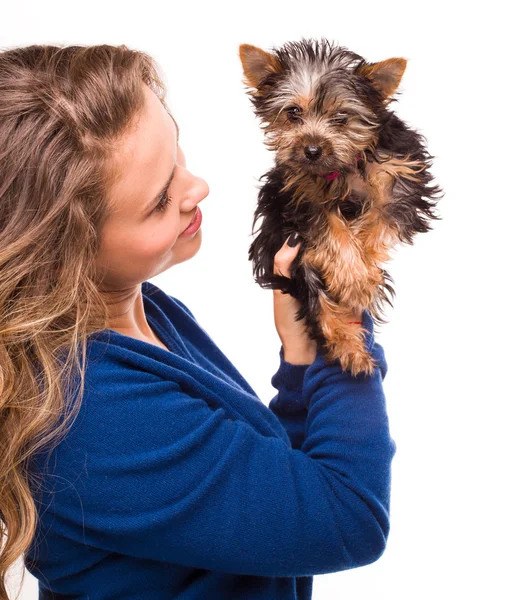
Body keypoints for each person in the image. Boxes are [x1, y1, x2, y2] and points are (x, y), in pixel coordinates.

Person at [0, 43, 396, 600]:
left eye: (178, 158)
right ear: (64, 251)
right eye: (160, 200)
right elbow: (346, 517)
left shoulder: (147, 311)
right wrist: (342, 330)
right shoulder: (88, 413)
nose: (197, 188)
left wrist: (303, 356)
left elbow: (267, 487)